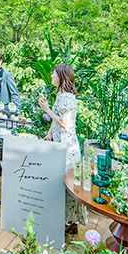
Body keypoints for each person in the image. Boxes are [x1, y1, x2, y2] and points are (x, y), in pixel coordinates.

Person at [39, 64, 87, 233]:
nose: (52, 75)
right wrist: (49, 134)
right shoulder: (60, 94)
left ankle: (70, 223)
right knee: (61, 185)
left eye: (54, 73)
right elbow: (56, 120)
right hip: (59, 144)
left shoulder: (67, 97)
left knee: (67, 187)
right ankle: (64, 220)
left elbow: (65, 124)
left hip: (68, 148)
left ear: (61, 76)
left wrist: (46, 109)